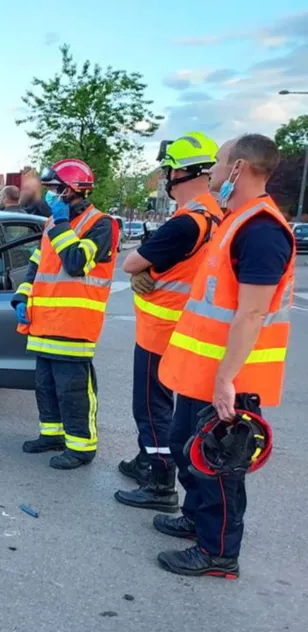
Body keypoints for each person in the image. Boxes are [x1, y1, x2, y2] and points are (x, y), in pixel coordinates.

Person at [156, 134, 293, 578]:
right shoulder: (238, 220)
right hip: (202, 373)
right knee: (188, 449)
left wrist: (226, 380)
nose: (212, 172)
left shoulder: (262, 230)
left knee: (219, 466)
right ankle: (197, 521)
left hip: (229, 379)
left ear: (239, 168)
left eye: (217, 163)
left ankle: (218, 553)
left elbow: (253, 312)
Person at [114, 133, 223, 512]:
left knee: (151, 406)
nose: (166, 176)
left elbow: (130, 263)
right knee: (166, 407)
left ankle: (160, 480)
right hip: (188, 328)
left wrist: (138, 271)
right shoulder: (214, 216)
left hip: (160, 332)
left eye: (168, 169)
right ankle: (149, 459)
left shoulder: (185, 223)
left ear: (178, 172)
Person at [10, 159, 120, 469]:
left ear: (73, 191)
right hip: (44, 323)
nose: (50, 196)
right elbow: (37, 267)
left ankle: (81, 447)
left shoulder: (102, 224)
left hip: (74, 326)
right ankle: (52, 436)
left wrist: (60, 226)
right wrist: (21, 297)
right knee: (45, 386)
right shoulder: (52, 225)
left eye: (56, 190)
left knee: (73, 391)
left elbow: (75, 262)